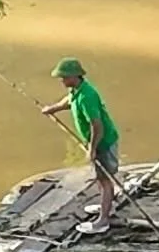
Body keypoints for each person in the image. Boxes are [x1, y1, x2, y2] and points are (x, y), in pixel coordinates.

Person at [41, 57, 120, 235]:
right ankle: (105, 206)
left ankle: (103, 220)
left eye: (63, 78)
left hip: (103, 141)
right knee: (100, 177)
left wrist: (92, 148)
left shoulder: (87, 96)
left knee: (105, 180)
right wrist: (52, 109)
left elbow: (96, 125)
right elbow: (68, 102)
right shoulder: (77, 90)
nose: (61, 81)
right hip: (95, 140)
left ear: (74, 76)